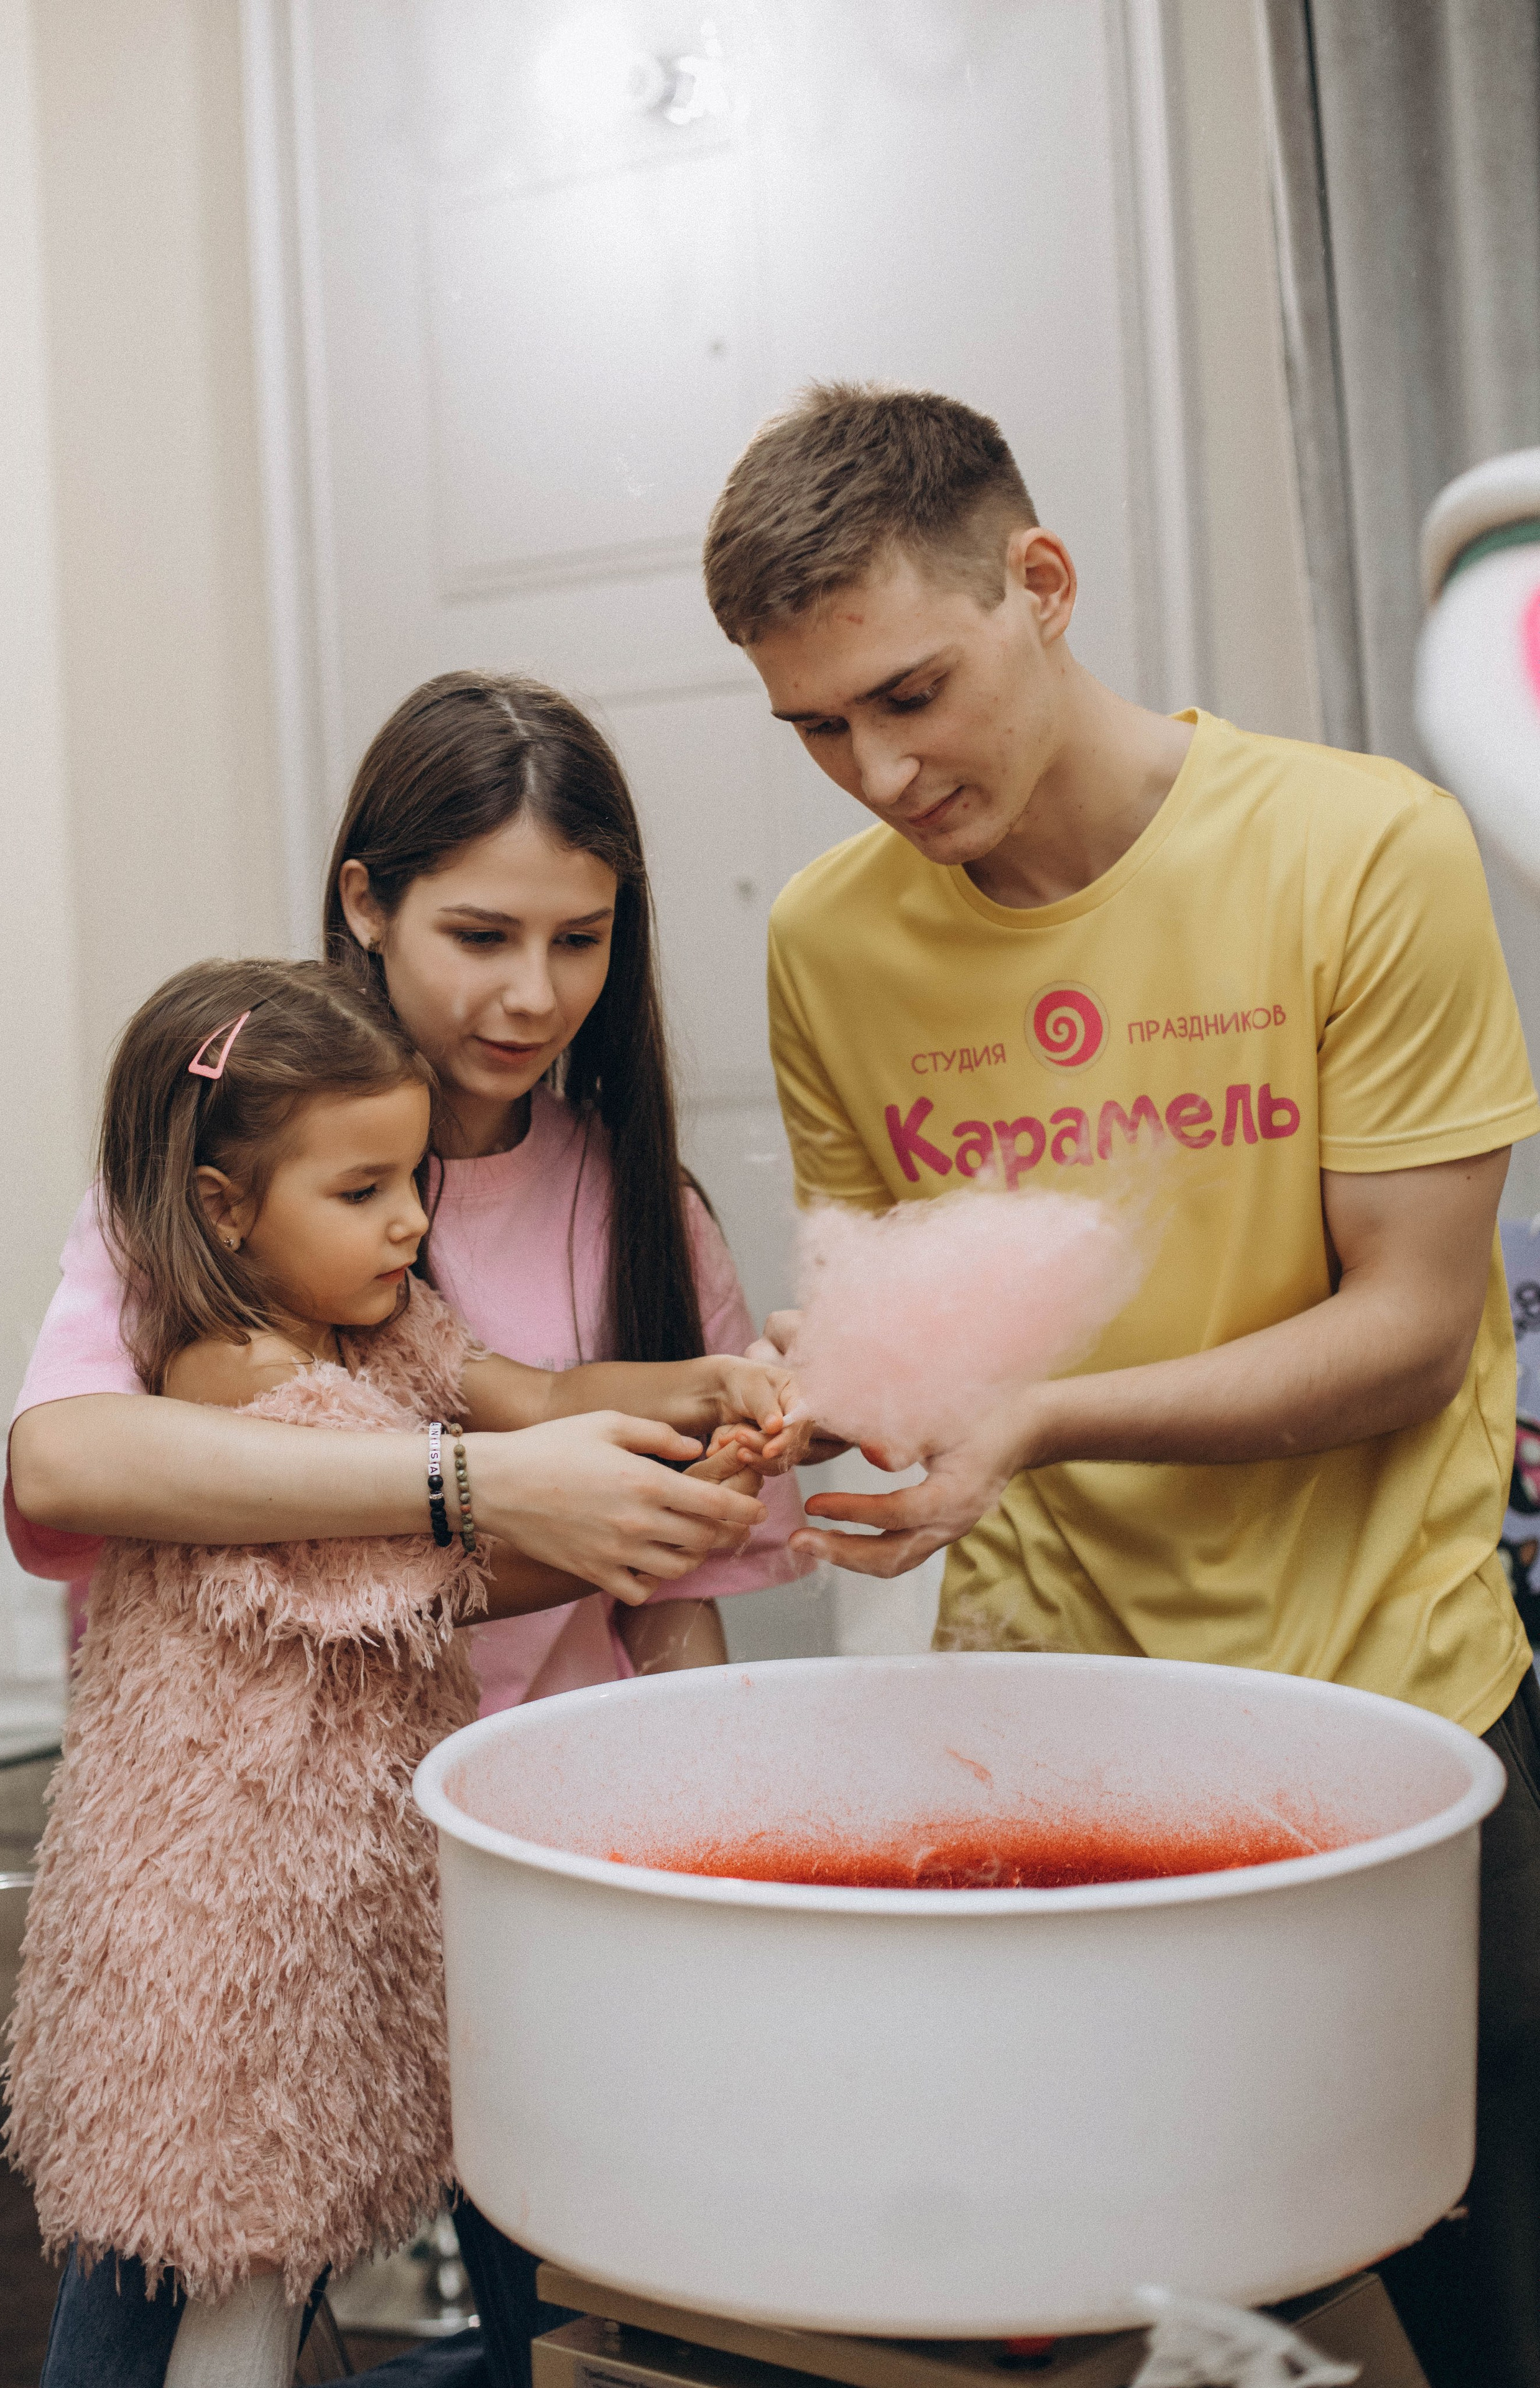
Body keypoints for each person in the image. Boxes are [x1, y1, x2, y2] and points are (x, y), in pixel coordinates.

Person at [704, 382, 1540, 2388]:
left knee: (1481, 2311)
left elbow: (1412, 1320)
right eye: (818, 727)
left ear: (1044, 584)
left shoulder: (1362, 849)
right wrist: (811, 1390)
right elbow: (903, 1326)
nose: (878, 772)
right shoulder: (827, 944)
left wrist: (1043, 1420)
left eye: (911, 689)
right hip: (1059, 1751)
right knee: (1127, 2333)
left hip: (1399, 1729)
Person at [6, 676, 813, 2386]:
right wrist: (480, 1490)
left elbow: (666, 1598)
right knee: (163, 2318)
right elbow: (74, 1465)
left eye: (581, 938)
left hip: (551, 1891)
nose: (532, 992)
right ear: (365, 901)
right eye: (479, 931)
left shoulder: (643, 1199)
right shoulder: (217, 1182)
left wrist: (716, 1415)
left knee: (590, 2344)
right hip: (259, 1894)